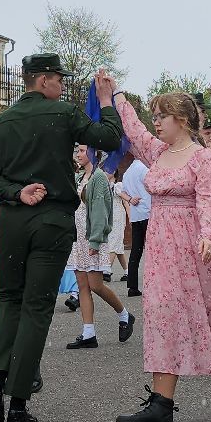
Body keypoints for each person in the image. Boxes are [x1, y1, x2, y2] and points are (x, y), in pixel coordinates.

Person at [0, 55, 123, 422]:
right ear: (43, 81)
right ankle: (18, 402)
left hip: (12, 218)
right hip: (52, 219)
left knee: (8, 299)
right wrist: (107, 101)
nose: (61, 85)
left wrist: (15, 191)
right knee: (37, 306)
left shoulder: (0, 122)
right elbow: (108, 138)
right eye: (58, 78)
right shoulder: (63, 113)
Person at [109, 93, 211, 422]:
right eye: (154, 115)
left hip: (198, 248)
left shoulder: (203, 157)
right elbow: (134, 131)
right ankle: (160, 409)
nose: (156, 121)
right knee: (164, 314)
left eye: (162, 116)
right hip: (163, 250)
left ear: (182, 120)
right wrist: (116, 95)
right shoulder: (158, 153)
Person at [67, 145, 134, 349]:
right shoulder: (80, 177)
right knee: (82, 285)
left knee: (96, 285)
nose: (78, 154)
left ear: (93, 153)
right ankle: (88, 333)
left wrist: (95, 241)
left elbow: (100, 213)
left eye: (81, 150)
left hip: (91, 238)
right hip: (78, 239)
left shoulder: (99, 178)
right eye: (76, 150)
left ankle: (124, 315)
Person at [121, 154, 151, 297]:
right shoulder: (145, 168)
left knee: (136, 250)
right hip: (148, 212)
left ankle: (132, 286)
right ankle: (153, 283)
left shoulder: (128, 172)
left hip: (136, 215)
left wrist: (130, 199)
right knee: (152, 250)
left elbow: (122, 192)